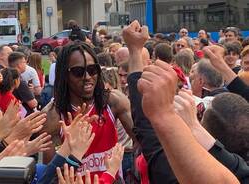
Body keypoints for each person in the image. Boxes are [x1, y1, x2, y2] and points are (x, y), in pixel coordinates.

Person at [123, 20, 249, 184]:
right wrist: (223, 67)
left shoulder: (174, 171)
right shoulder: (242, 171)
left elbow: (146, 126)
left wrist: (134, 50)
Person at [41, 42, 134, 182]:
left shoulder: (113, 101)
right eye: (78, 72)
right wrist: (71, 147)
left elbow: (142, 141)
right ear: (64, 75)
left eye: (92, 69)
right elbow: (51, 176)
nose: (88, 77)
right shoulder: (52, 116)